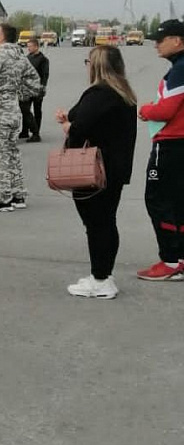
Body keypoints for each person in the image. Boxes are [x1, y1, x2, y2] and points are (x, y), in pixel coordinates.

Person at [55, 46, 137, 298]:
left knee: (96, 223)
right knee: (106, 221)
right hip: (114, 167)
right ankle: (103, 274)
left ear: (97, 65)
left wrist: (68, 125)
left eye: (88, 61)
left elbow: (80, 127)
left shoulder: (99, 92)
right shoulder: (122, 92)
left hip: (95, 169)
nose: (87, 66)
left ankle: (100, 279)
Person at [136, 19, 184, 281]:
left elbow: (166, 110)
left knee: (158, 200)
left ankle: (169, 259)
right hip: (179, 143)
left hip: (171, 143)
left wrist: (146, 111)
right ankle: (180, 257)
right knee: (178, 202)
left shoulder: (180, 70)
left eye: (160, 40)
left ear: (177, 40)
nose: (156, 45)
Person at [0, 23, 41, 213]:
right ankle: (17, 194)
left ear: (2, 36)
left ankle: (2, 198)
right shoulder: (19, 55)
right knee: (11, 153)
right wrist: (17, 94)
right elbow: (35, 83)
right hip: (14, 110)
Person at [20, 37, 50, 142]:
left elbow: (45, 74)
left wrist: (43, 86)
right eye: (27, 47)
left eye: (30, 46)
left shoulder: (43, 59)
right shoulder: (27, 57)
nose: (28, 48)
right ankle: (24, 130)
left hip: (37, 88)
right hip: (26, 88)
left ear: (36, 46)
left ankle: (36, 132)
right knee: (25, 110)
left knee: (37, 110)